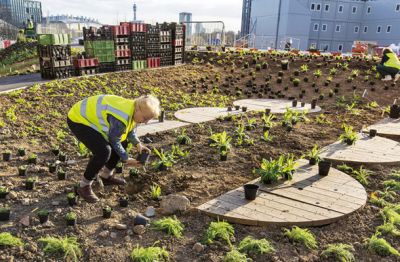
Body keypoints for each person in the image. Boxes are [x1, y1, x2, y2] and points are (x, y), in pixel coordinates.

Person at [67, 94, 160, 203]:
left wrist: (138, 144)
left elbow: (129, 129)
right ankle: (84, 186)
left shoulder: (133, 110)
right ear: (138, 109)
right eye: (145, 118)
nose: (145, 122)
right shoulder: (121, 116)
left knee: (122, 143)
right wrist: (126, 158)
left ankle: (106, 176)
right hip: (79, 119)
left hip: (90, 119)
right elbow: (114, 140)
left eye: (148, 119)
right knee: (103, 152)